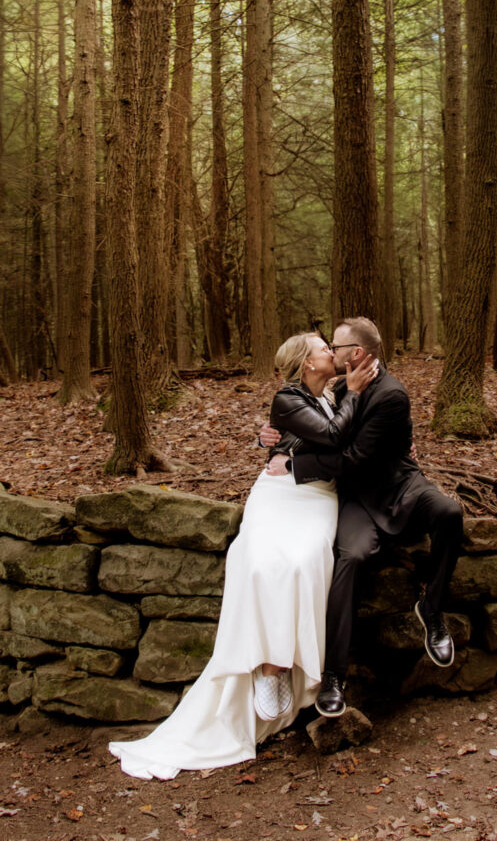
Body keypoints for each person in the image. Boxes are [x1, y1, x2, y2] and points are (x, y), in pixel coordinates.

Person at [108, 333, 377, 780]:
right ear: (305, 363)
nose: (332, 351)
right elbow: (330, 434)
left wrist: (273, 441)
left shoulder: (331, 393)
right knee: (258, 561)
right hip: (279, 495)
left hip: (318, 499)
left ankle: (297, 666)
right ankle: (266, 666)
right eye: (323, 349)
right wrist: (349, 399)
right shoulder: (287, 397)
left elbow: (336, 438)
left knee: (305, 562)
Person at [262, 317, 463, 718]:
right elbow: (310, 428)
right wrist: (270, 441)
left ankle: (433, 609)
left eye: (334, 346)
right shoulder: (340, 388)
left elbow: (351, 458)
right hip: (357, 498)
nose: (330, 352)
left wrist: (297, 467)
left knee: (449, 511)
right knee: (349, 559)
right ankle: (334, 675)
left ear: (355, 354)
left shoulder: (391, 394)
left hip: (398, 485)